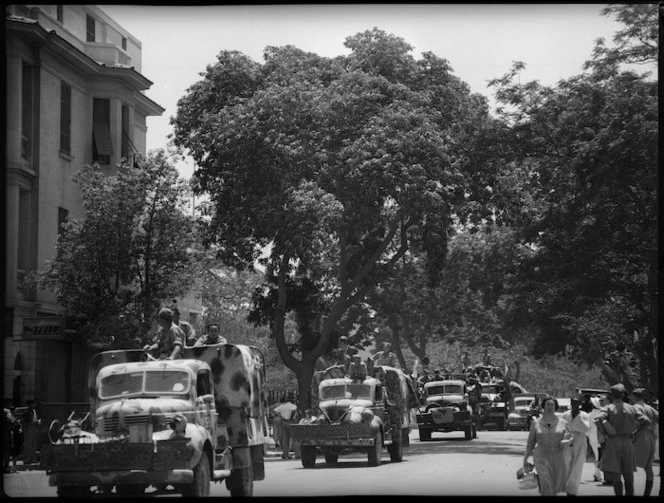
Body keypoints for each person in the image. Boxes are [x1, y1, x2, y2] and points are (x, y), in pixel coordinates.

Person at [597, 383, 650, 496]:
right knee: (628, 474)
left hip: (613, 441)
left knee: (616, 475)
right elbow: (646, 421)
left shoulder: (608, 408)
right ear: (623, 395)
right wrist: (635, 433)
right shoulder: (631, 408)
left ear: (612, 395)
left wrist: (604, 433)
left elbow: (599, 419)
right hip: (627, 442)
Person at [523, 396, 571, 496]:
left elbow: (569, 438)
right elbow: (530, 443)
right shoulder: (536, 423)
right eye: (547, 404)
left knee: (554, 486)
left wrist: (569, 440)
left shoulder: (563, 423)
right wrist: (525, 459)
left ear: (556, 407)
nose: (550, 407)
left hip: (558, 456)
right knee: (546, 482)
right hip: (541, 456)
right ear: (543, 407)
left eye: (552, 405)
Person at [631, 387, 659, 497]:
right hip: (651, 437)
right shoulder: (650, 408)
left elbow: (641, 423)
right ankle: (647, 493)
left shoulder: (635, 407)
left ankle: (630, 491)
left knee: (630, 465)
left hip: (640, 437)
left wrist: (635, 433)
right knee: (648, 468)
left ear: (634, 396)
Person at [562, 397, 591, 496]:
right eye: (573, 404)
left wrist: (577, 417)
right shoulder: (565, 415)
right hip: (568, 439)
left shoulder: (584, 415)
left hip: (580, 440)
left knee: (577, 464)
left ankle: (572, 490)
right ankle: (567, 488)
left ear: (579, 404)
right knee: (566, 464)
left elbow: (586, 428)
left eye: (576, 404)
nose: (574, 406)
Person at [273, 393, 298, 459]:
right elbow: (293, 410)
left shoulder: (282, 406)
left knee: (285, 439)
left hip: (284, 422)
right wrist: (291, 417)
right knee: (294, 438)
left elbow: (274, 411)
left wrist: (280, 415)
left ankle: (286, 455)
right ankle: (297, 454)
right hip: (291, 422)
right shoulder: (293, 406)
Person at [588, 396, 604, 482]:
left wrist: (589, 436)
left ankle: (597, 473)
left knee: (597, 455)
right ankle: (597, 473)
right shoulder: (602, 413)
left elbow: (587, 428)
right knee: (600, 455)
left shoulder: (589, 415)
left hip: (592, 437)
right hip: (601, 436)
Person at [21, 399, 41, 466]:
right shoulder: (27, 412)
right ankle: (27, 459)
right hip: (29, 429)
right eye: (32, 404)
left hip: (34, 428)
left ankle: (32, 459)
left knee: (33, 444)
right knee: (28, 444)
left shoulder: (34, 411)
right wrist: (35, 422)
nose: (33, 405)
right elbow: (25, 422)